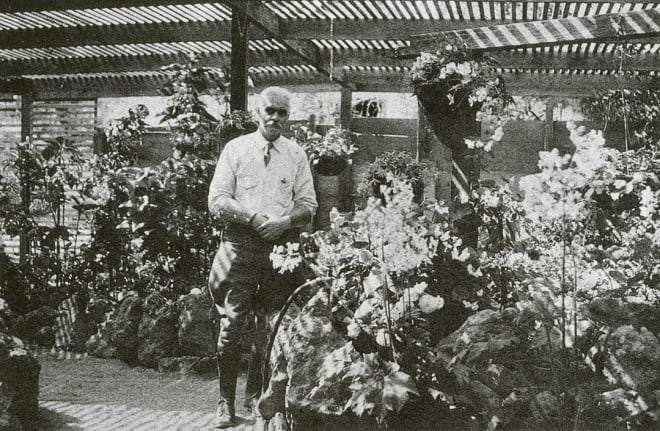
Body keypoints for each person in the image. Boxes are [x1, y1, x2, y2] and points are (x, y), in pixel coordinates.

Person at [207, 86, 317, 429]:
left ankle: (256, 398)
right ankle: (225, 402)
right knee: (232, 324)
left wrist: (284, 221)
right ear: (258, 113)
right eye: (270, 111)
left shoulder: (295, 154)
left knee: (271, 327)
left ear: (288, 117)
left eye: (282, 113)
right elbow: (218, 199)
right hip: (240, 244)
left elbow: (308, 204)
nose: (275, 118)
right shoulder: (236, 149)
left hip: (279, 247)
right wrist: (252, 218)